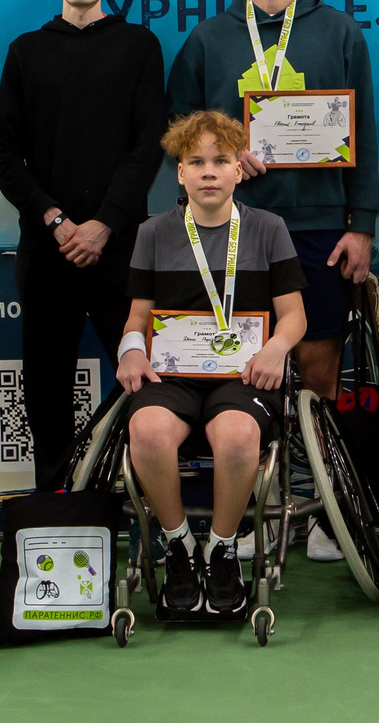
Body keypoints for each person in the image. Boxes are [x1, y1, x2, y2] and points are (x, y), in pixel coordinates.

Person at [164, 0, 377, 404]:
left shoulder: (340, 30)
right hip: (232, 225)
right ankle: (259, 476)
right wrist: (223, 153)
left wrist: (362, 225)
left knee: (319, 366)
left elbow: (363, 130)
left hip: (319, 226)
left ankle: (314, 478)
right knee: (243, 369)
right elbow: (177, 126)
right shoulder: (208, 38)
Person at [0, 0, 166, 493]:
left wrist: (105, 222)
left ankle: (139, 503)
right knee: (46, 386)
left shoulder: (139, 46)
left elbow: (148, 146)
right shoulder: (26, 52)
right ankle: (55, 505)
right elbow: (6, 158)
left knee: (138, 379)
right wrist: (58, 220)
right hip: (47, 251)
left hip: (121, 251)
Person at [113, 110, 308, 620]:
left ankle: (222, 551)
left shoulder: (269, 229)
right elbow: (137, 316)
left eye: (220, 160)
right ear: (179, 172)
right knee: (148, 431)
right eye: (195, 161)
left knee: (240, 436)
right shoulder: (153, 232)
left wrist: (275, 349)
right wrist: (131, 349)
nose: (207, 171)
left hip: (245, 376)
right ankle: (178, 547)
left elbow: (294, 318)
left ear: (238, 170)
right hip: (172, 375)